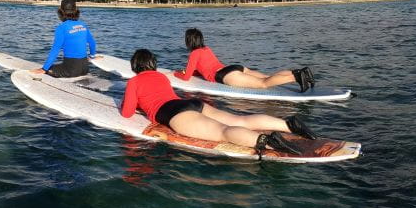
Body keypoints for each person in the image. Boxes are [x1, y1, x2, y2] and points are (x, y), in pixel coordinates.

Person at [121, 49, 316, 157]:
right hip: (192, 103)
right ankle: (288, 124)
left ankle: (268, 141)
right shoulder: (161, 77)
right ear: (153, 63)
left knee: (223, 132)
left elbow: (127, 113)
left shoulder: (134, 81)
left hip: (175, 114)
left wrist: (135, 103)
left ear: (135, 65)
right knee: (239, 120)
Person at [174, 27, 316, 92]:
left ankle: (297, 77)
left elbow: (186, 77)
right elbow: (203, 69)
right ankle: (302, 72)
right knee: (267, 77)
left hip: (224, 75)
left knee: (263, 84)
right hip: (233, 68)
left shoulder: (194, 53)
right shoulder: (206, 49)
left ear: (189, 41)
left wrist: (177, 73)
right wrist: (194, 72)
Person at [31, 0, 96, 78]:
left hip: (71, 70)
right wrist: (92, 56)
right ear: (76, 10)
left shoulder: (62, 28)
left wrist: (44, 69)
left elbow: (55, 50)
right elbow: (92, 43)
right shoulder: (82, 25)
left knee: (49, 69)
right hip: (85, 68)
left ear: (61, 12)